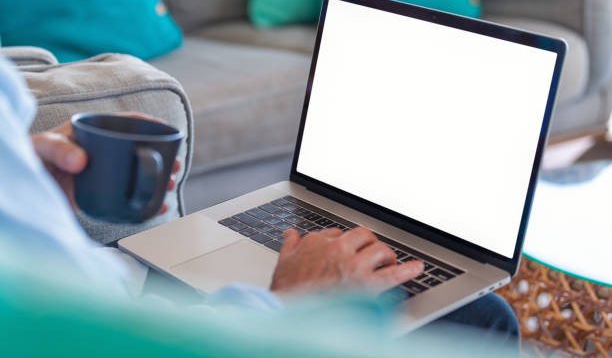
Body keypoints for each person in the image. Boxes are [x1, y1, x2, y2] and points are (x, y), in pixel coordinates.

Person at [0, 55, 519, 355]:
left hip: (104, 283)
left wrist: (27, 172)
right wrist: (290, 302)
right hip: (129, 321)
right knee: (481, 318)